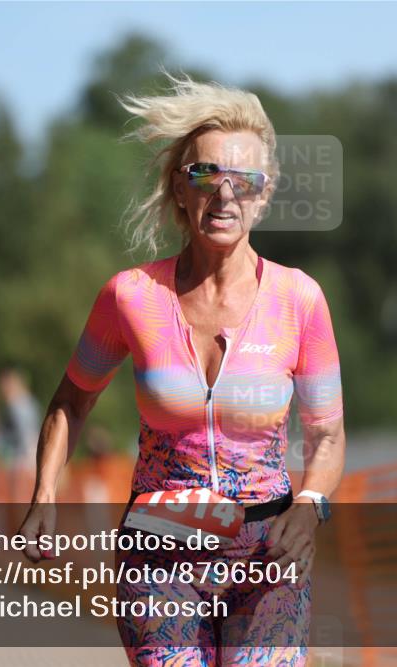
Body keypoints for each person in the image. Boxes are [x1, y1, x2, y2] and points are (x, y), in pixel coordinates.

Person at [18, 73, 346, 666]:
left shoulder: (300, 301)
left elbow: (327, 434)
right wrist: (45, 491)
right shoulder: (130, 298)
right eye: (206, 175)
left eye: (243, 181)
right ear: (178, 188)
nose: (225, 196)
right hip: (161, 546)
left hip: (268, 554)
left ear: (264, 194)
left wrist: (311, 504)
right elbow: (71, 400)